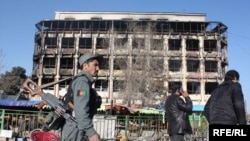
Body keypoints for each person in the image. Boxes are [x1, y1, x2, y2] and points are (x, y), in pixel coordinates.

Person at [61, 52, 103, 141]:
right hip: (75, 131)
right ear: (85, 66)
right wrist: (91, 133)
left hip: (77, 129)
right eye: (95, 65)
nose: (98, 68)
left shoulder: (84, 82)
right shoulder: (82, 82)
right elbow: (81, 109)